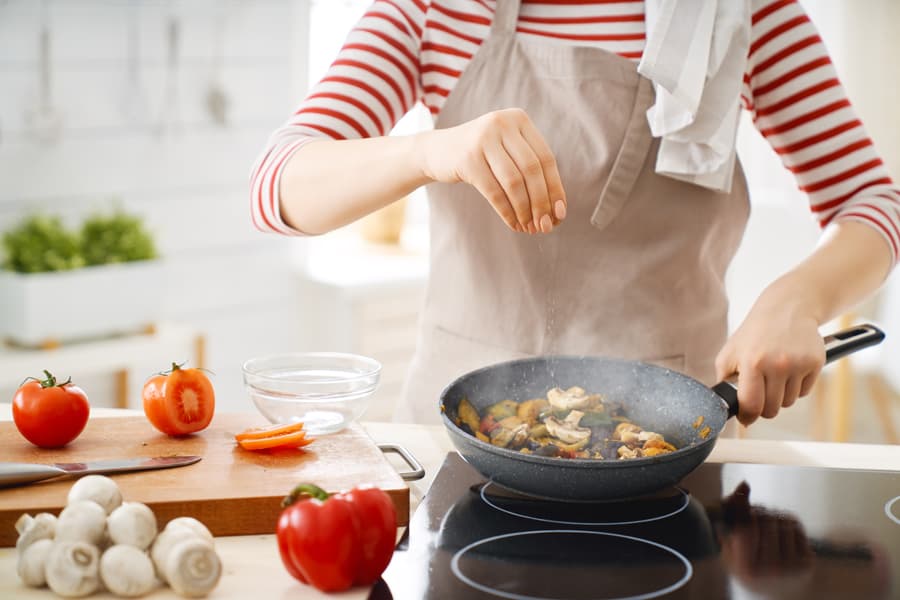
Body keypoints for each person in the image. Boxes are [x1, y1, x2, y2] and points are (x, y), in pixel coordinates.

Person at [250, 0, 900, 427]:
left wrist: (798, 299)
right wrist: (429, 149)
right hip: (455, 441)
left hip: (670, 443)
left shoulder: (740, 14)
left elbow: (874, 202)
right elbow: (276, 186)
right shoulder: (437, 10)